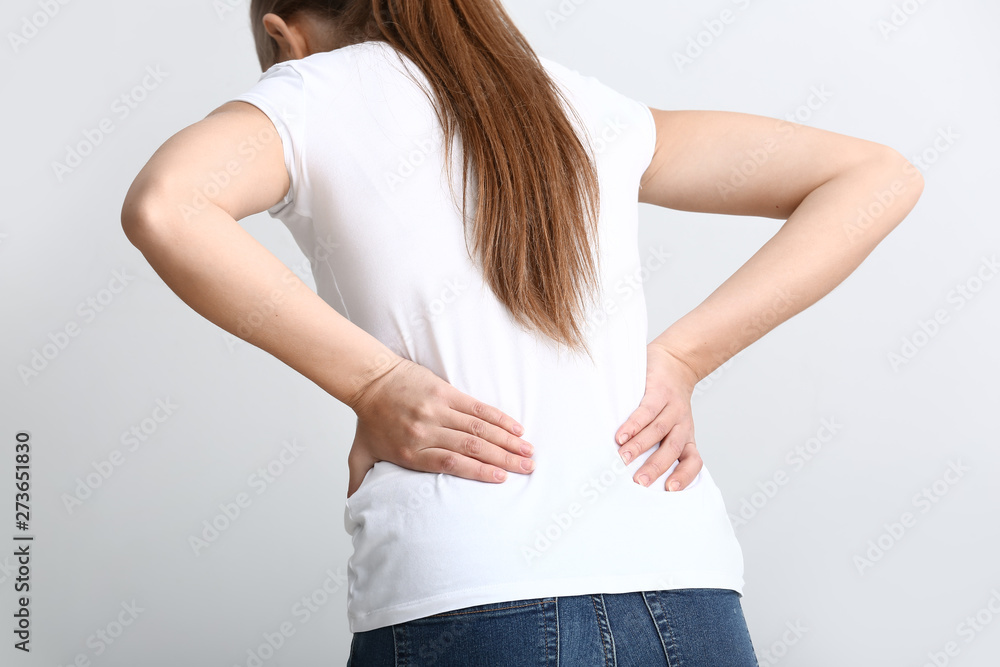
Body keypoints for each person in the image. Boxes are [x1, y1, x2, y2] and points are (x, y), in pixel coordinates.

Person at [120, 1, 923, 665]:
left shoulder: (308, 92)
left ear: (283, 33)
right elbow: (879, 175)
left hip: (465, 587)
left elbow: (165, 204)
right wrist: (684, 357)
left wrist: (374, 383)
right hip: (685, 581)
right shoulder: (582, 104)